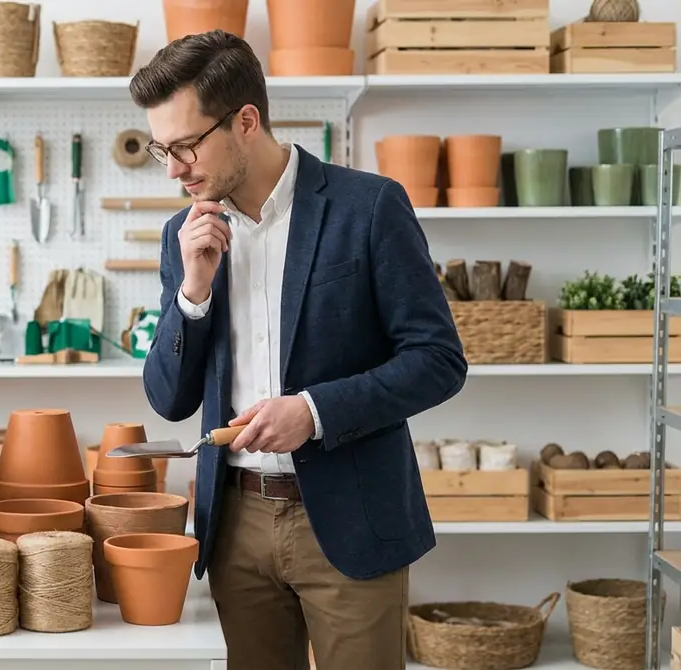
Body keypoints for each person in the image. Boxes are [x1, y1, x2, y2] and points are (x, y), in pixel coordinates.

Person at [131, 30, 469, 670]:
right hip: (235, 522)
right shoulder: (185, 234)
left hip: (350, 520)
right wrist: (194, 293)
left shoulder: (368, 207)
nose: (173, 169)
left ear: (246, 121)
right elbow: (168, 399)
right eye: (160, 150)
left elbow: (438, 360)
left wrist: (312, 413)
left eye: (184, 146)